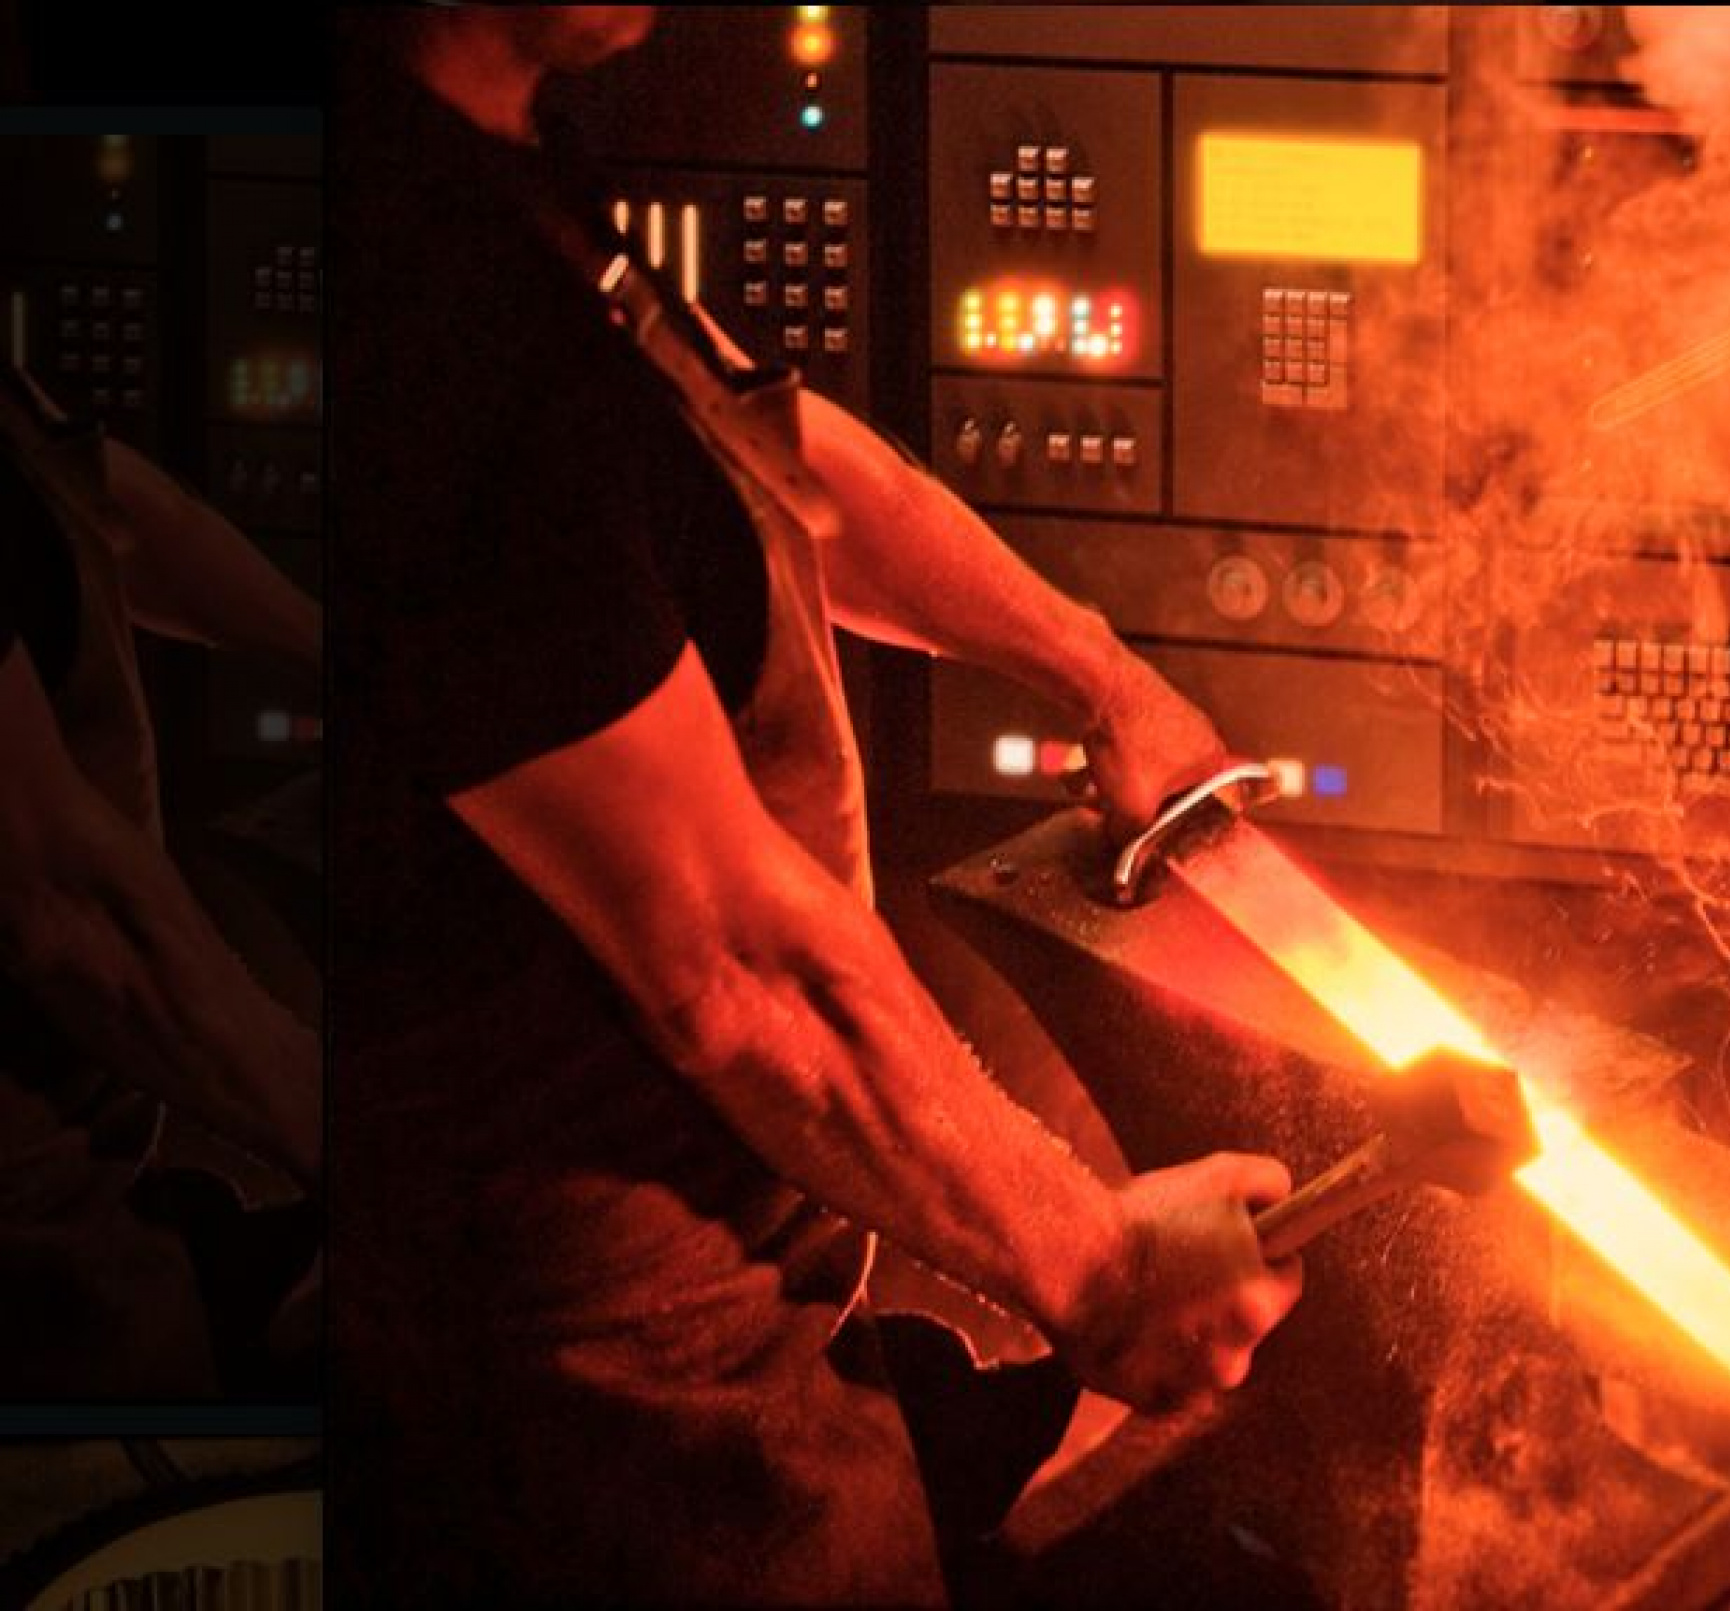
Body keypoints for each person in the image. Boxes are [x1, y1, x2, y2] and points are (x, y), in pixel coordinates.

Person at [331, 8, 1303, 1604]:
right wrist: (1098, 1261)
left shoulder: (508, 162)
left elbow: (771, 461)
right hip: (606, 1357)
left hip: (728, 1229)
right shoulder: (404, 286)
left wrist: (1102, 678)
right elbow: (725, 960)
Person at [0, 364, 322, 1395]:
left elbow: (105, 510)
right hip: (36, 1235)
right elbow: (60, 905)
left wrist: (343, 657)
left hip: (98, 1143)